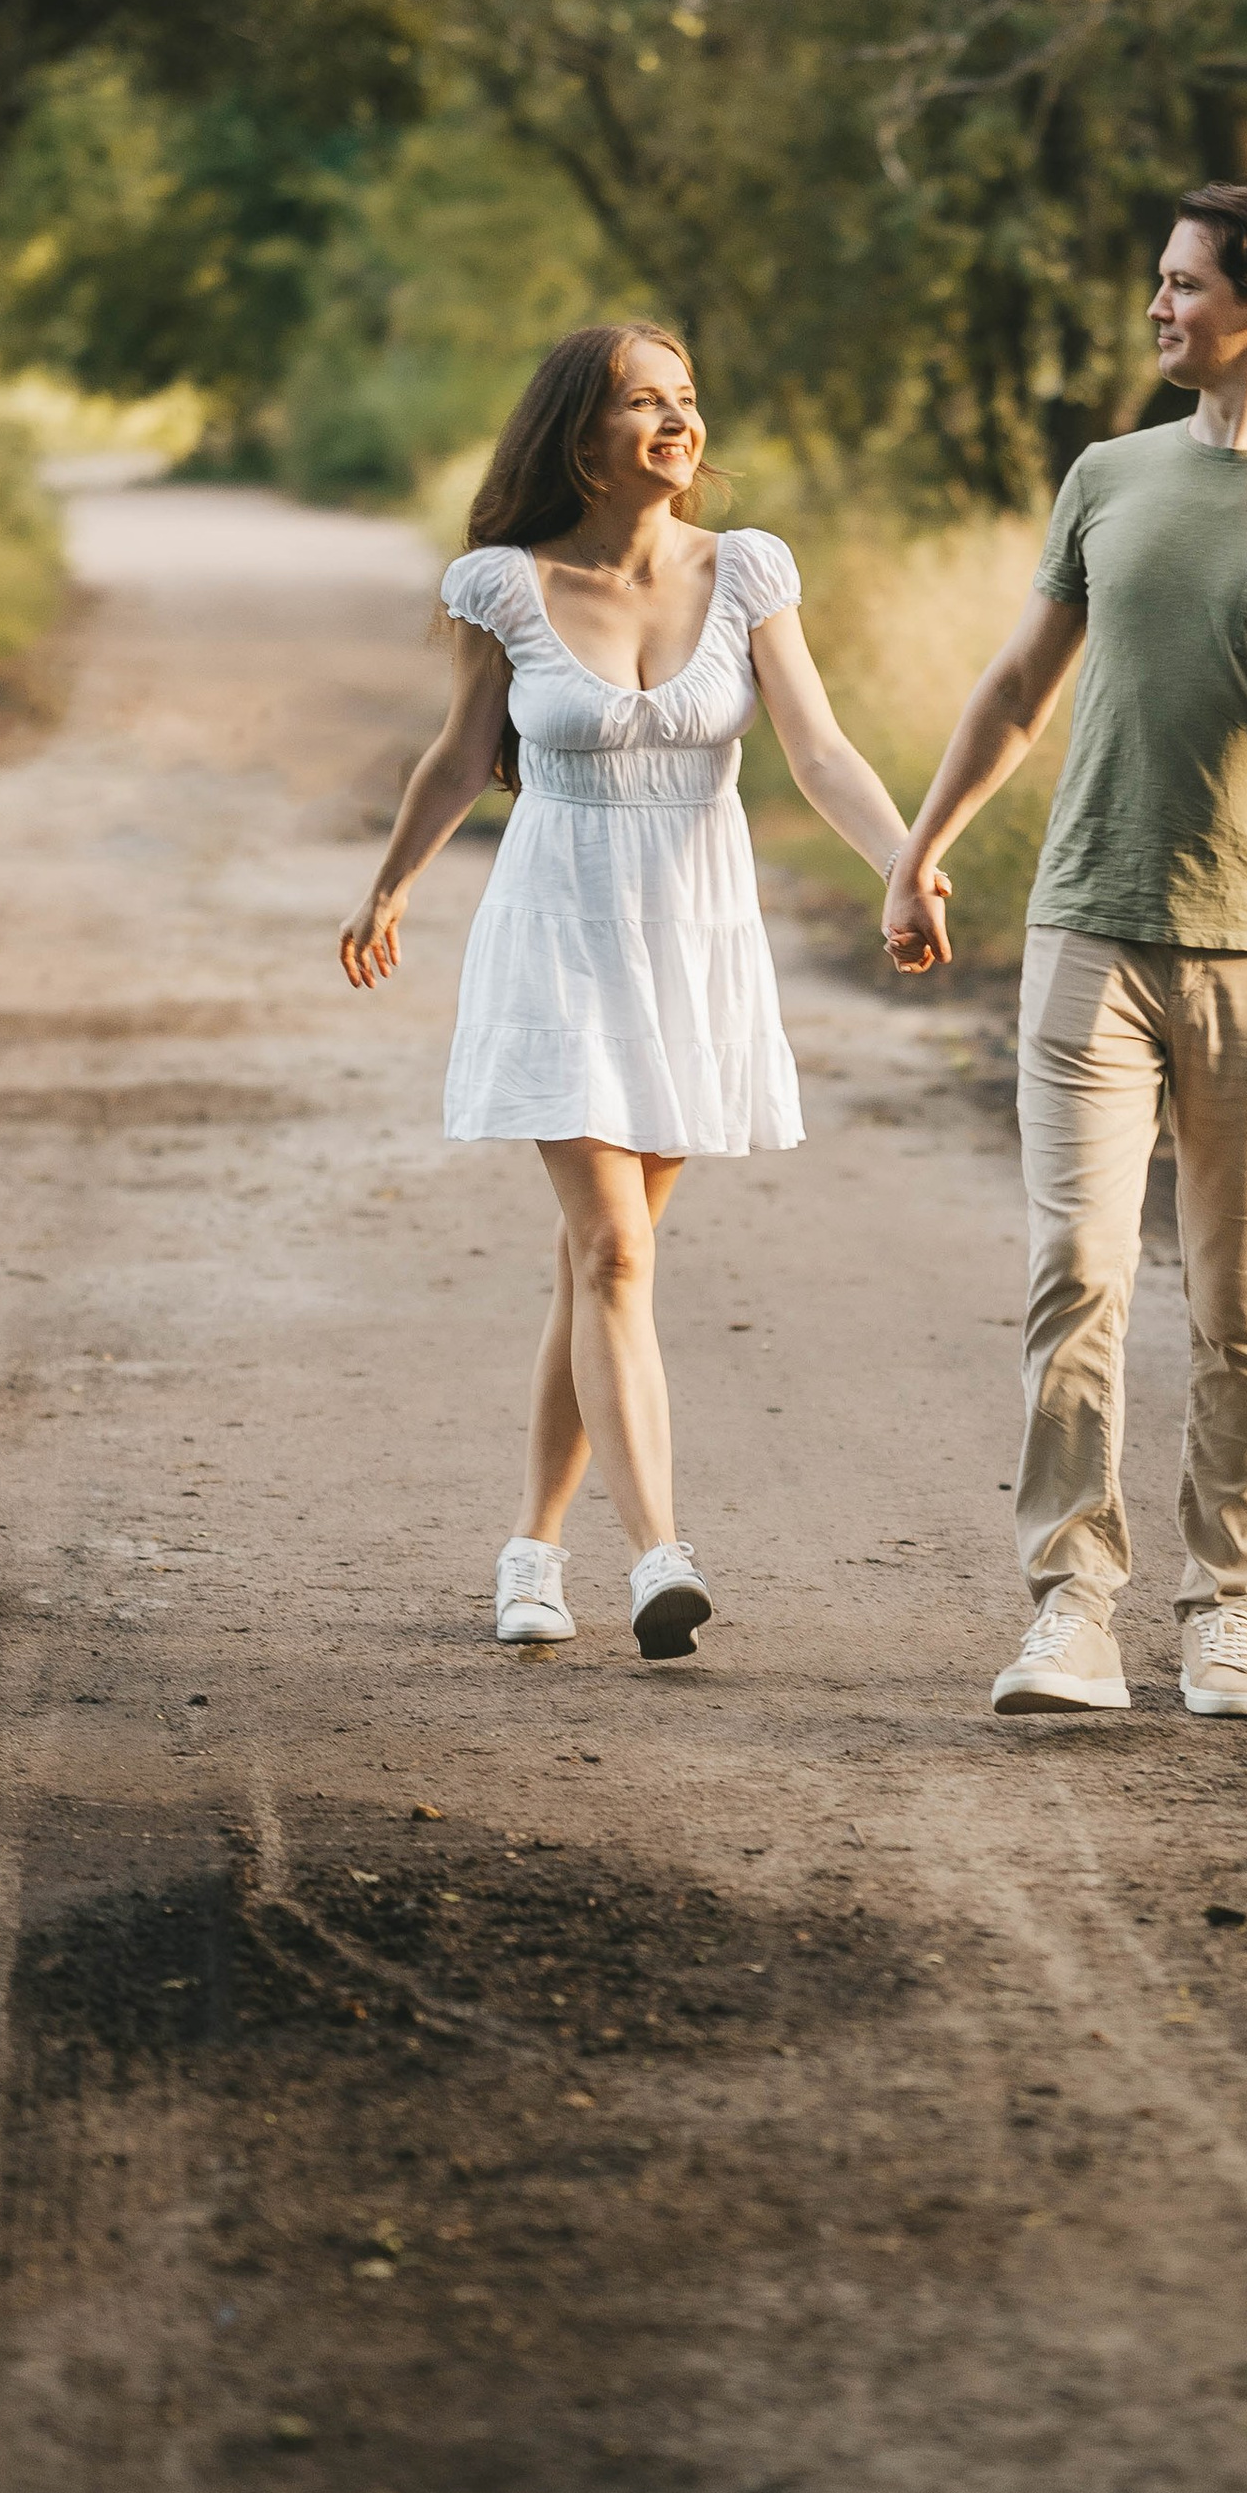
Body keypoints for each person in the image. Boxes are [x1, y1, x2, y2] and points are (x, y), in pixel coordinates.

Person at [880, 185, 1247, 1722]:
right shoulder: (1108, 476)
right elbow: (1015, 686)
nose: (1158, 307)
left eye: (1183, 283)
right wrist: (923, 847)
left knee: (1242, 1302)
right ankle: (1071, 1606)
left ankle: (1224, 1609)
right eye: (1158, 279)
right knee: (1073, 1272)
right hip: (1088, 933)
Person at [340, 324, 930, 1662]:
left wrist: (903, 862)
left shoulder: (749, 571)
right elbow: (455, 759)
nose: (677, 421)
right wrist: (389, 886)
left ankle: (529, 1553)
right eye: (641, 403)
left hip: (693, 940)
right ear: (577, 434)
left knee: (600, 1264)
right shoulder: (506, 586)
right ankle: (658, 1553)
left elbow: (821, 750)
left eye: (687, 399)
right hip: (559, 933)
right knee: (615, 1253)